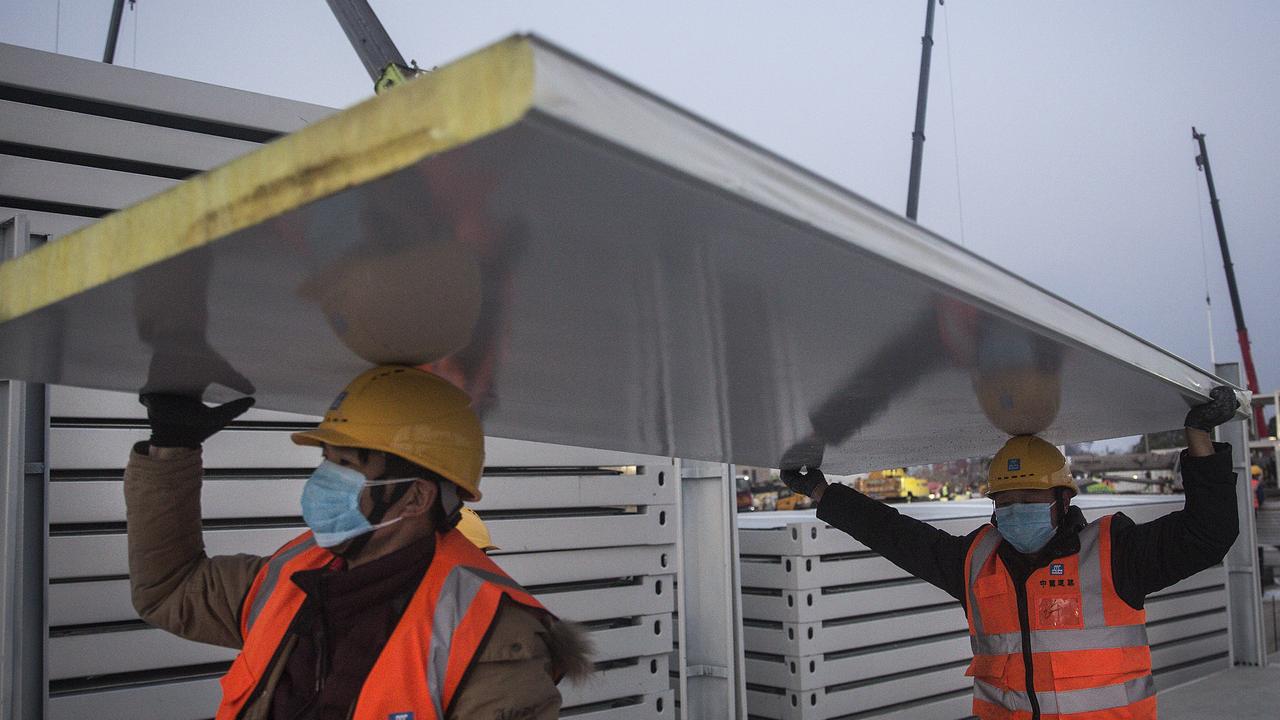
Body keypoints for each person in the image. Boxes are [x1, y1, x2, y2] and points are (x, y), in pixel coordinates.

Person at [125, 365, 590, 720]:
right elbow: (169, 591)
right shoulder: (293, 576)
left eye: (346, 464)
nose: (324, 480)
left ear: (414, 496)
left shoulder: (495, 640)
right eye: (326, 460)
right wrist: (172, 449)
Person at [781, 387, 1243, 720]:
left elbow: (1209, 533)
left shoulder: (1114, 554)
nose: (1016, 511)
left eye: (1031, 499)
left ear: (1064, 501)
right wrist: (824, 493)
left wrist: (1200, 437)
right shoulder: (975, 564)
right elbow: (897, 536)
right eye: (1005, 502)